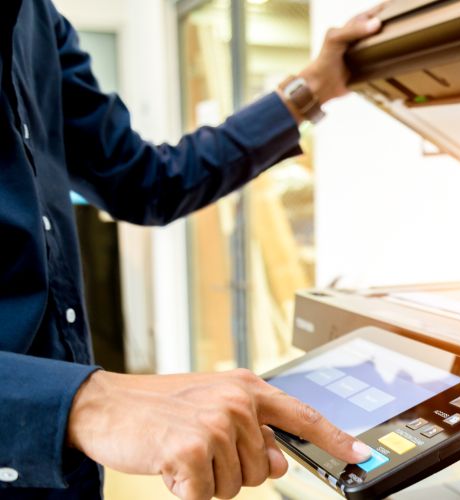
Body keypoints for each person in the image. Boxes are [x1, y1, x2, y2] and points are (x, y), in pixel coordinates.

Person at [0, 1, 384, 498]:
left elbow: (146, 183)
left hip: (62, 473)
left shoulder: (37, 19)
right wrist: (83, 403)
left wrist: (312, 88)